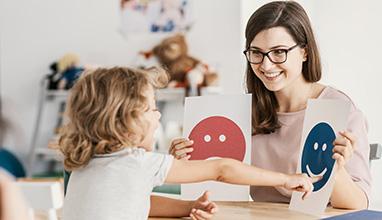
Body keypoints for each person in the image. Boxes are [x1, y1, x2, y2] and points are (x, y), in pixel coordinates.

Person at [169, 1, 371, 210]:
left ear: (305, 52)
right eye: (256, 53)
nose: (266, 65)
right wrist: (182, 164)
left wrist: (335, 169)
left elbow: (358, 204)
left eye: (279, 52)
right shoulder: (242, 113)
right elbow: (219, 181)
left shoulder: (338, 108)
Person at [59, 66, 318, 220]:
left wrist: (188, 207)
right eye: (151, 109)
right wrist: (283, 179)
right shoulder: (138, 163)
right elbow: (222, 169)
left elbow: (137, 199)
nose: (158, 115)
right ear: (124, 120)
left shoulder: (83, 165)